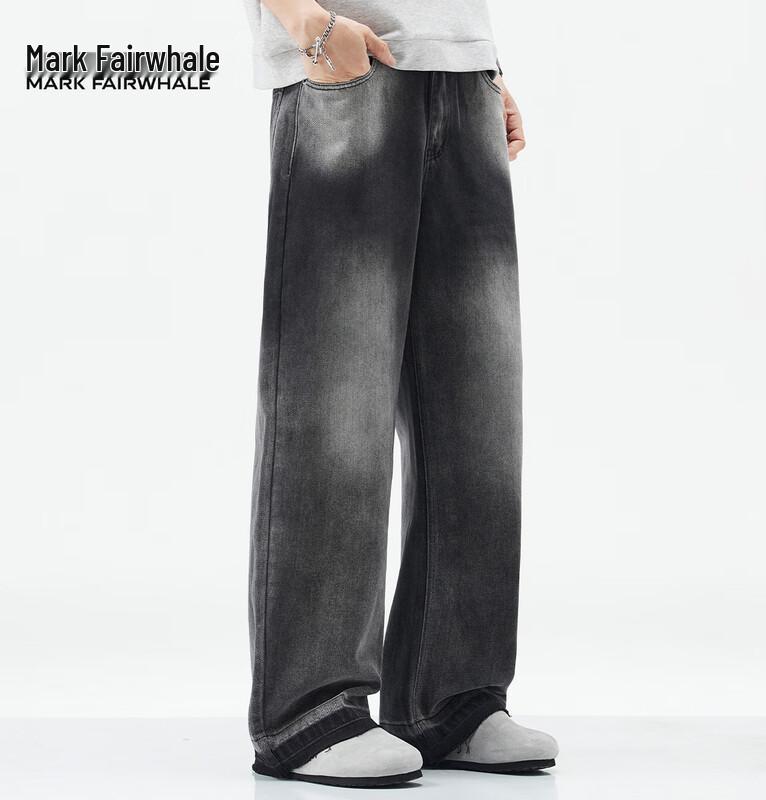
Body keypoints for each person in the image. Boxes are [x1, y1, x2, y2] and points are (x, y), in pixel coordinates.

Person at [244, 0, 558, 787]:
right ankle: (308, 710)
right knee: (335, 397)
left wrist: (477, 57)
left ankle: (451, 697)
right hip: (344, 62)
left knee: (478, 403)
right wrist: (305, 23)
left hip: (462, 74)